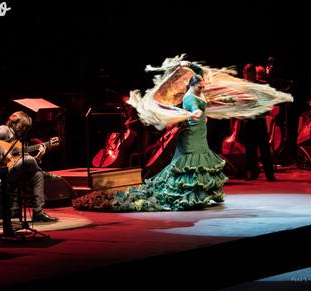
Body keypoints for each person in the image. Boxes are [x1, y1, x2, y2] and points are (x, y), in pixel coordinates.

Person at [73, 55, 293, 211]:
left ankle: (200, 195)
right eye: (202, 81)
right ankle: (185, 194)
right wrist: (192, 114)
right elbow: (180, 112)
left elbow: (204, 92)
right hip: (190, 134)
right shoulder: (188, 97)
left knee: (202, 162)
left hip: (200, 134)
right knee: (188, 163)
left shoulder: (200, 91)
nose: (205, 82)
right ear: (194, 83)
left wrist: (224, 98)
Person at [0, 111, 58, 222]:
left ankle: (38, 213)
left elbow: (25, 163)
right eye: (22, 126)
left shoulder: (18, 141)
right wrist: (2, 151)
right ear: (15, 123)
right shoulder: (5, 130)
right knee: (29, 160)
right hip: (1, 173)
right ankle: (46, 174)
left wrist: (39, 157)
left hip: (14, 172)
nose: (23, 130)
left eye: (25, 128)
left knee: (38, 174)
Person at [239, 63, 276, 181]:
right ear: (245, 74)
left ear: (254, 74)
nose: (249, 77)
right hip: (248, 121)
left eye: (252, 74)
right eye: (247, 74)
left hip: (259, 120)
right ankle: (252, 173)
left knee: (264, 148)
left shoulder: (261, 85)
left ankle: (269, 174)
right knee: (250, 149)